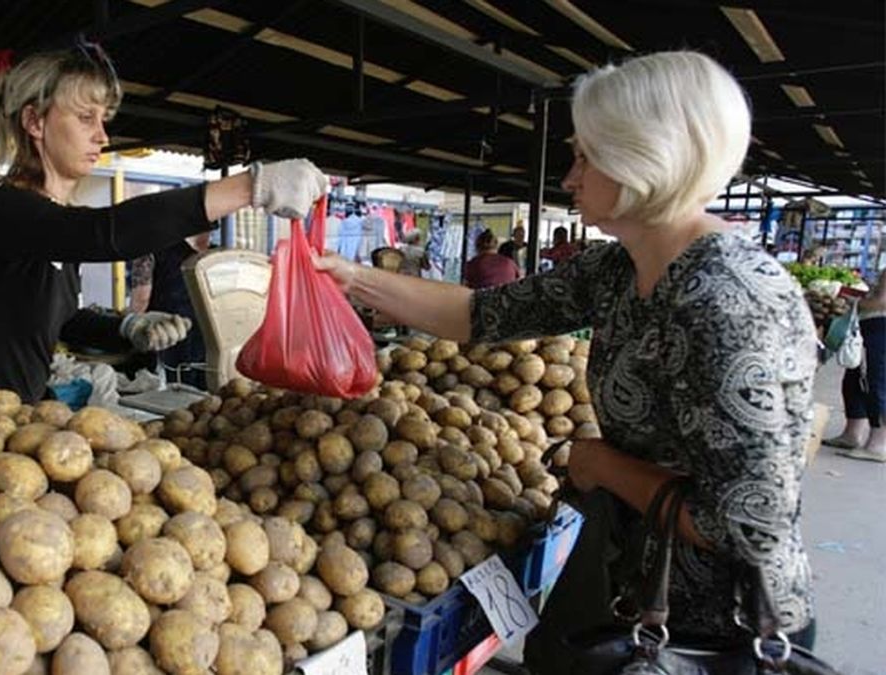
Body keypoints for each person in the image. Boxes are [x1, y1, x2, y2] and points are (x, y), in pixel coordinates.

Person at [315, 51, 816, 668]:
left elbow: (747, 525)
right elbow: (479, 316)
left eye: (585, 156)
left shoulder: (731, 301)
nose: (570, 178)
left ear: (643, 158)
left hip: (717, 634)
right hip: (636, 593)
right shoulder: (616, 270)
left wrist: (603, 463)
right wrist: (351, 278)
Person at [0, 43, 326, 418]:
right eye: (85, 118)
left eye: (103, 119)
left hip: (20, 421)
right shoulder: (5, 211)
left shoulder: (53, 222)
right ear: (34, 121)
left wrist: (126, 328)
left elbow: (59, 321)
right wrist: (249, 186)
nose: (102, 135)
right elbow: (107, 232)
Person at [128, 232, 213, 389]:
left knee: (172, 396)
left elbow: (140, 301)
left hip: (169, 334)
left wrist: (128, 329)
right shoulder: (215, 253)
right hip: (207, 337)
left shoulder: (149, 248)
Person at [826, 270, 886, 462]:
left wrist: (854, 303)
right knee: (855, 381)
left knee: (874, 384)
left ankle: (878, 444)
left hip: (880, 328)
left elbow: (882, 301)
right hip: (873, 326)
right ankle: (852, 434)